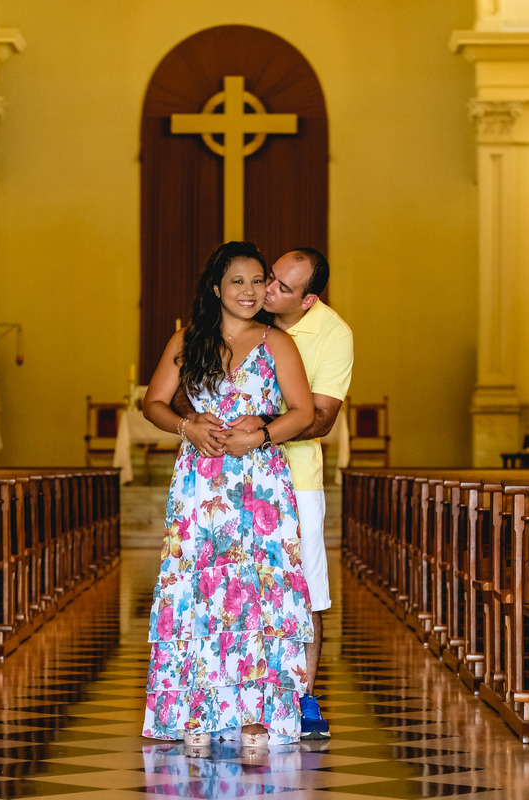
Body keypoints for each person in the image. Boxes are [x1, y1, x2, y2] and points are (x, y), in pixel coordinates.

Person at [140, 241, 317, 753]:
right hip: (201, 482)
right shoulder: (187, 339)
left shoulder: (278, 342)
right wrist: (186, 425)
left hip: (260, 484)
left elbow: (303, 413)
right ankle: (195, 708)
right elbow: (151, 402)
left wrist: (260, 434)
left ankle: (257, 715)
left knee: (257, 591)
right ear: (216, 288)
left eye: (258, 281)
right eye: (237, 281)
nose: (250, 290)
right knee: (200, 589)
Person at [177, 247, 353, 740]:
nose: (266, 290)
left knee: (302, 592)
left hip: (294, 479)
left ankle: (300, 699)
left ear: (308, 299)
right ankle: (220, 695)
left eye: (280, 287)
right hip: (223, 480)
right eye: (266, 278)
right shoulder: (226, 325)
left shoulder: (332, 333)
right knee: (228, 587)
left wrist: (262, 429)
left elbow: (319, 416)